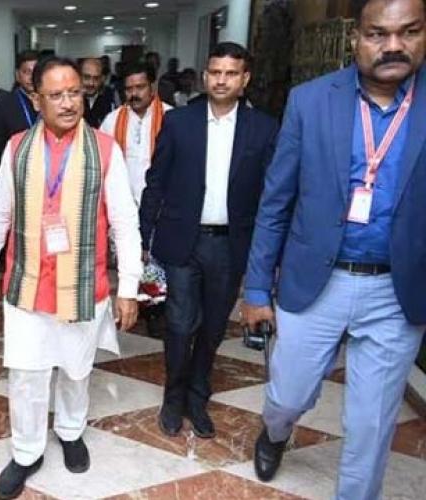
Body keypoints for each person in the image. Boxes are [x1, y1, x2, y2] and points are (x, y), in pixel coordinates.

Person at [241, 1, 426, 498]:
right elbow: (276, 201)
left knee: (371, 425)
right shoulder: (310, 101)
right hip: (315, 281)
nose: (392, 45)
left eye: (408, 32)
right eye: (377, 34)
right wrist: (257, 287)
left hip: (396, 290)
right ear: (355, 39)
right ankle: (275, 433)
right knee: (289, 395)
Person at [0, 56, 142, 500]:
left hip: (84, 283)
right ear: (37, 99)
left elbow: (126, 222)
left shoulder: (105, 149)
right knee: (26, 375)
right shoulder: (17, 147)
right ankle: (27, 452)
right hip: (28, 281)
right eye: (56, 95)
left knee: (75, 369)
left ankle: (71, 431)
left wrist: (129, 287)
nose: (69, 103)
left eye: (75, 93)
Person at [139, 42, 278, 439]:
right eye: (215, 72)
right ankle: (173, 395)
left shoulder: (264, 128)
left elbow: (273, 195)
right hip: (184, 241)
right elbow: (156, 181)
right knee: (181, 323)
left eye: (231, 73)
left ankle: (198, 395)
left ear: (244, 79)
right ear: (205, 76)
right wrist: (143, 234)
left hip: (231, 245)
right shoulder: (180, 121)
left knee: (214, 325)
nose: (221, 79)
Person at [100, 61, 173, 338]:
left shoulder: (171, 117)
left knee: (157, 262)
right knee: (131, 259)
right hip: (125, 205)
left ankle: (156, 311)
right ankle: (134, 304)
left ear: (152, 86)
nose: (134, 93)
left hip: (161, 205)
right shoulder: (112, 120)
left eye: (140, 87)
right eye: (128, 88)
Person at [0, 50, 40, 186]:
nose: (32, 77)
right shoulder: (3, 105)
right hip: (15, 180)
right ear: (17, 75)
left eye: (36, 72)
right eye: (27, 72)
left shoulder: (53, 102)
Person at [80, 57, 118, 128]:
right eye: (87, 77)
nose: (91, 83)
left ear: (102, 79)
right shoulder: (71, 99)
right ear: (79, 76)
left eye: (96, 78)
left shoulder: (109, 98)